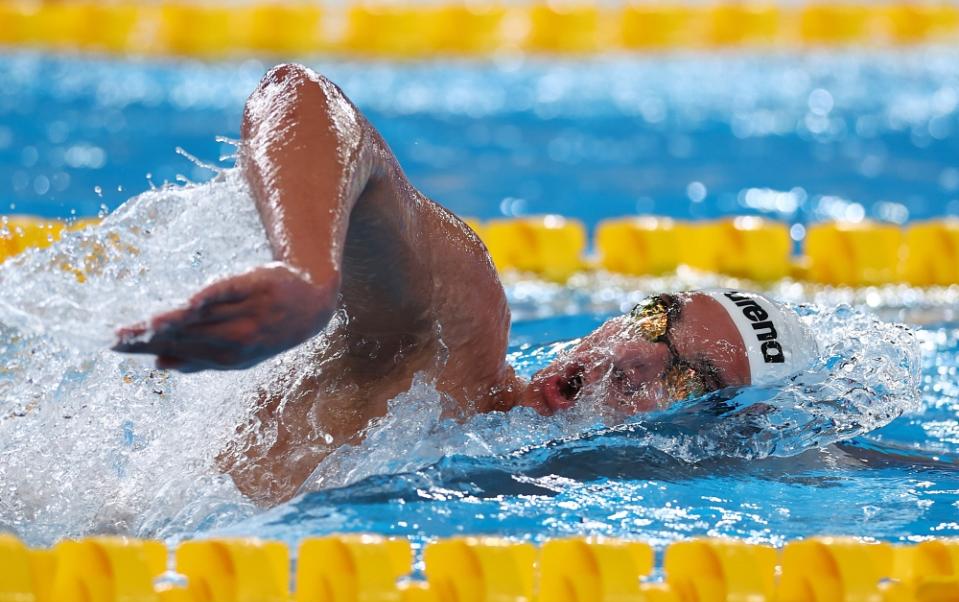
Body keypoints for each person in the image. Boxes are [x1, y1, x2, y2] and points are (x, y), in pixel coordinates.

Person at [114, 64, 817, 504]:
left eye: (691, 377)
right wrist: (306, 273)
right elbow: (300, 97)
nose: (634, 358)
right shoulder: (457, 336)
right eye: (657, 318)